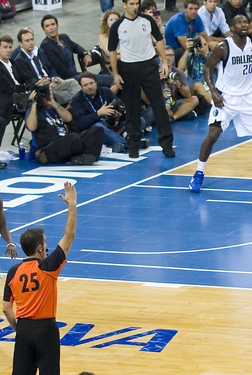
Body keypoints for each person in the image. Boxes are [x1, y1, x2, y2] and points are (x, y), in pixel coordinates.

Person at [189, 15, 252, 192]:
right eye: (240, 22)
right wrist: (213, 93)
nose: (244, 25)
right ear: (232, 26)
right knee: (213, 135)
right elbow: (207, 68)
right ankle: (198, 173)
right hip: (226, 98)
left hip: (247, 97)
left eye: (246, 22)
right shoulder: (223, 47)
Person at [3, 182, 76, 374]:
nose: (47, 246)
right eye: (45, 243)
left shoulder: (13, 272)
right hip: (46, 330)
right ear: (40, 248)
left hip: (24, 330)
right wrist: (72, 205)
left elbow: (6, 308)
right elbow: (69, 236)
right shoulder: (48, 267)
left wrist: (20, 329)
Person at [108, 0, 174, 158]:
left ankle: (167, 144)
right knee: (131, 109)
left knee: (159, 105)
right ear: (124, 5)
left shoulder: (147, 20)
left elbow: (159, 40)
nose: (135, 7)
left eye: (136, 3)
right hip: (128, 68)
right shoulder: (118, 26)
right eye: (131, 4)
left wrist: (163, 61)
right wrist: (115, 73)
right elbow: (112, 51)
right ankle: (133, 145)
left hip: (149, 66)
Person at [70, 71, 151, 153]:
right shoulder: (77, 100)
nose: (89, 87)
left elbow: (121, 108)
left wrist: (119, 113)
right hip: (94, 131)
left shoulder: (106, 92)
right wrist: (98, 113)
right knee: (99, 127)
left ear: (96, 83)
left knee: (140, 120)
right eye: (85, 85)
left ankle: (119, 141)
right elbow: (81, 123)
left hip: (113, 126)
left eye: (91, 83)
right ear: (81, 87)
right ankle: (130, 143)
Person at [26, 82, 104, 165]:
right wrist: (33, 104)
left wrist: (54, 103)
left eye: (48, 91)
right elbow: (31, 127)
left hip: (66, 142)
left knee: (97, 130)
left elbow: (68, 118)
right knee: (73, 138)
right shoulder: (34, 111)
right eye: (43, 93)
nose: (46, 95)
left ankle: (87, 157)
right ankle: (80, 155)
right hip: (49, 148)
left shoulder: (55, 107)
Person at [39, 15, 112, 87]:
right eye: (47, 26)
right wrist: (82, 75)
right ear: (44, 30)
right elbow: (61, 71)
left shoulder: (64, 37)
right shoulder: (46, 46)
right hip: (66, 79)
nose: (51, 28)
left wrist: (85, 53)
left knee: (111, 80)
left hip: (77, 75)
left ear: (57, 25)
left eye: (53, 24)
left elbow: (76, 46)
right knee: (110, 80)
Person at [13, 28, 82, 106]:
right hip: (41, 89)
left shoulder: (39, 52)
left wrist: (54, 78)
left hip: (51, 83)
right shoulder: (19, 60)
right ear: (20, 44)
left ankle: (83, 104)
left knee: (72, 82)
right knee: (70, 94)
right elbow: (29, 80)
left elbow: (50, 67)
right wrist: (44, 82)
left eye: (32, 39)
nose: (31, 43)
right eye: (27, 41)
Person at [0, 35, 24, 164]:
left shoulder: (14, 63)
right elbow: (8, 88)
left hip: (19, 98)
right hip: (7, 103)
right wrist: (24, 87)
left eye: (10, 47)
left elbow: (26, 79)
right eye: (5, 47)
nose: (8, 50)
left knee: (39, 103)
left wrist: (35, 83)